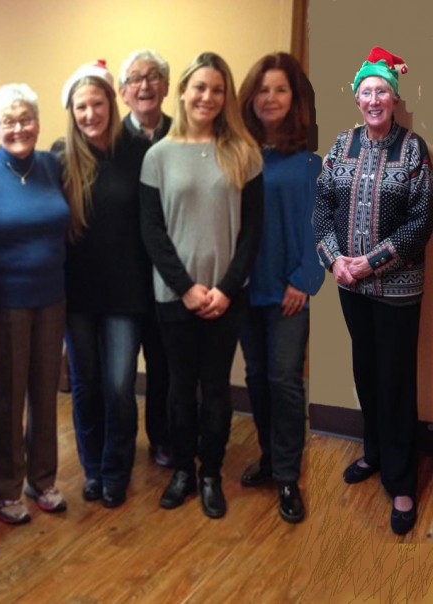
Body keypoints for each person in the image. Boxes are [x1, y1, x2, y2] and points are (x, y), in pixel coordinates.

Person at [313, 47, 433, 536]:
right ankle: (376, 453)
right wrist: (335, 260)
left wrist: (372, 261)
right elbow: (321, 207)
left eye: (382, 90)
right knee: (365, 368)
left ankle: (402, 481)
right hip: (351, 287)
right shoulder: (340, 146)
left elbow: (422, 220)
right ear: (357, 99)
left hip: (398, 287)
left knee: (396, 378)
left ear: (395, 97)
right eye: (367, 91)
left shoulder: (414, 149)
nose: (374, 99)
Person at [140, 52, 264, 520]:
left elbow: (252, 231)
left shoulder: (244, 153)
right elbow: (152, 232)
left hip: (227, 296)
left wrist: (226, 289)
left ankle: (210, 471)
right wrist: (187, 288)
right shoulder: (158, 156)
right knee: (177, 386)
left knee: (215, 388)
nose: (208, 97)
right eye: (200, 88)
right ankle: (181, 472)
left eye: (217, 89)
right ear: (184, 92)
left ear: (225, 97)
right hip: (174, 295)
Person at [0, 83, 70, 525]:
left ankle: (42, 479)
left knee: (46, 392)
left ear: (39, 124)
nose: (18, 128)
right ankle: (4, 489)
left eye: (26, 119)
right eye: (8, 121)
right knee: (6, 396)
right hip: (4, 302)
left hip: (52, 297)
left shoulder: (52, 166)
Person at [57, 60, 150, 508]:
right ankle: (92, 470)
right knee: (85, 385)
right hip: (77, 296)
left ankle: (116, 470)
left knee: (117, 386)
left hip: (125, 295)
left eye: (97, 104)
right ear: (71, 112)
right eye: (81, 107)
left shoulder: (138, 150)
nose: (90, 113)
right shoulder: (60, 158)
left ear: (112, 104)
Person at [238, 52, 324, 524]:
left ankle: (289, 476)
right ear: (251, 98)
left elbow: (320, 227)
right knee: (256, 378)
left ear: (294, 100)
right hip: (246, 289)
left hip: (290, 290)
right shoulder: (239, 154)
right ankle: (270, 457)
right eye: (263, 90)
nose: (271, 98)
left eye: (280, 90)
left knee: (285, 381)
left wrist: (305, 281)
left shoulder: (309, 161)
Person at [119, 49, 174, 468]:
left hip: (169, 274)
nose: (144, 85)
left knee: (164, 366)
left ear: (167, 86)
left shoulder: (184, 134)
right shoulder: (111, 140)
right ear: (122, 92)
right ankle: (117, 447)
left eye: (153, 76)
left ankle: (163, 439)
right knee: (118, 376)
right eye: (135, 78)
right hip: (123, 275)